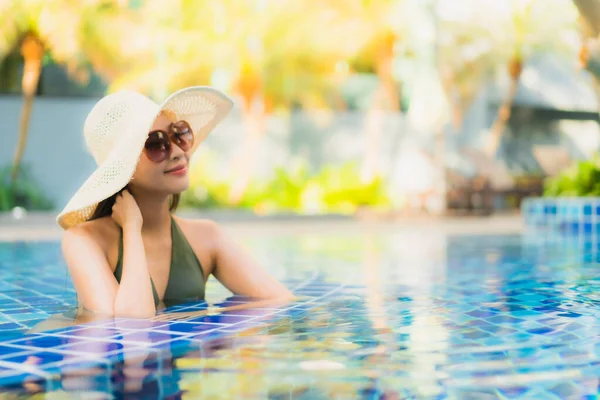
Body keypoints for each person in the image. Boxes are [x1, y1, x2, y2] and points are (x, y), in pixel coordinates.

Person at [57, 87, 292, 318]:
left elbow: (281, 302)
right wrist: (131, 229)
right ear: (123, 167)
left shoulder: (207, 237)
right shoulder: (84, 240)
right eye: (156, 144)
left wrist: (220, 334)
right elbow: (127, 329)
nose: (179, 151)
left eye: (179, 134)